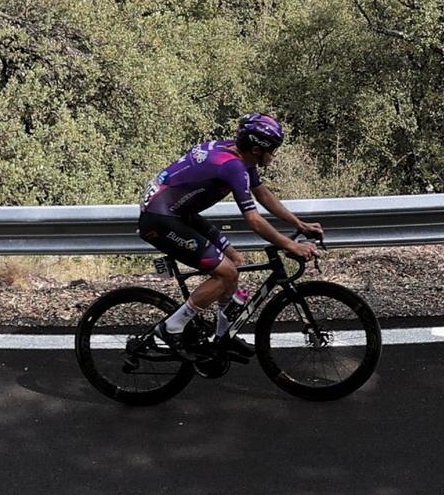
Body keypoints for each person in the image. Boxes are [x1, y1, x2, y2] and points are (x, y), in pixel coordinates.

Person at [137, 111, 322, 359]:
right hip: (161, 219)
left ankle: (222, 336)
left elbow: (263, 194)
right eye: (273, 150)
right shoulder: (232, 166)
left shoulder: (237, 154)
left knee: (235, 261)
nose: (274, 156)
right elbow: (254, 220)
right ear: (257, 149)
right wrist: (291, 245)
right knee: (226, 273)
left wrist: (300, 224)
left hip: (178, 213)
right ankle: (171, 328)